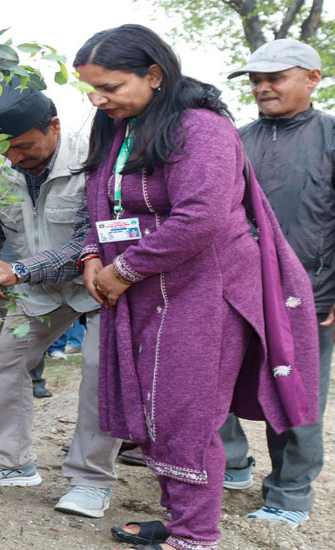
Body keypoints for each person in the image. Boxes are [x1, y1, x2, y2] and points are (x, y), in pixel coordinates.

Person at [75, 24, 319, 550]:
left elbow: (199, 217)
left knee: (187, 413)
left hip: (205, 292)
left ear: (154, 75)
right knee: (156, 408)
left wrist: (124, 270)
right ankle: (181, 517)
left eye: (110, 87)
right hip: (142, 291)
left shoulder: (201, 127)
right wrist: (92, 255)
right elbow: (97, 200)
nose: (99, 100)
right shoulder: (117, 125)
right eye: (91, 89)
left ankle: (196, 534)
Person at [0, 83, 119, 519]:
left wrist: (19, 270)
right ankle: (10, 462)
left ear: (54, 126)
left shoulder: (97, 158)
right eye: (4, 148)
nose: (14, 158)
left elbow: (91, 238)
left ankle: (91, 480)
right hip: (33, 284)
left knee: (100, 370)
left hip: (101, 282)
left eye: (24, 146)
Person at [220, 38, 334, 527]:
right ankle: (230, 464)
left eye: (275, 78)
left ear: (313, 78)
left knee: (295, 393)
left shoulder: (331, 136)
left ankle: (289, 496)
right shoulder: (234, 139)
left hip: (308, 292)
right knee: (215, 381)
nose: (263, 88)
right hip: (234, 288)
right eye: (255, 80)